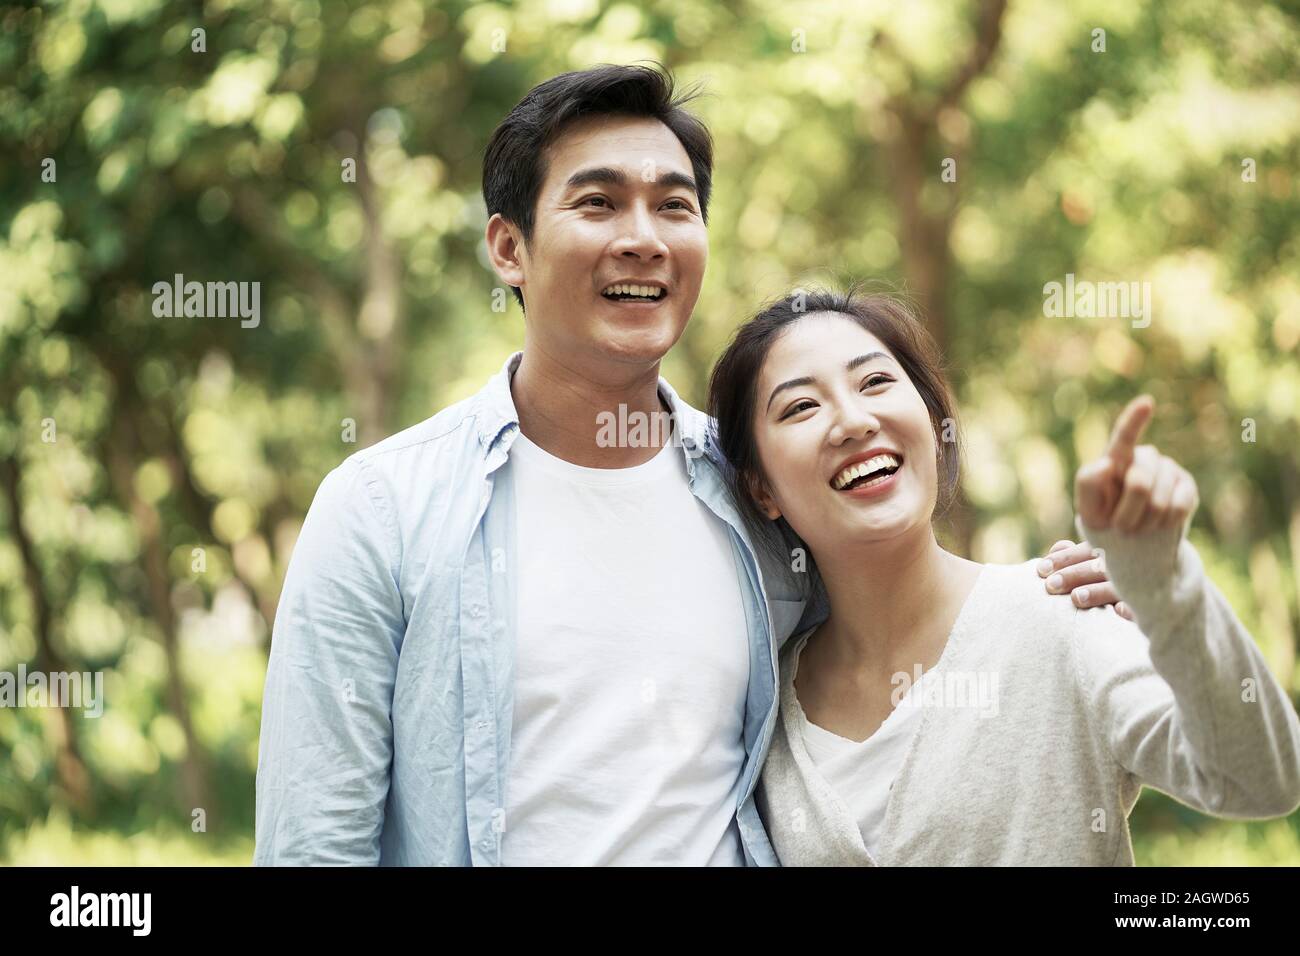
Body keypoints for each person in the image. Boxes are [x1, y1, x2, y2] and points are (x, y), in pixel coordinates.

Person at [254, 66, 1118, 866]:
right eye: (598, 204)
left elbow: (895, 613)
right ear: (508, 249)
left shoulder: (761, 485)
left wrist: (1041, 600)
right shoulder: (381, 510)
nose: (643, 239)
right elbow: (314, 845)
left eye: (674, 206)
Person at [706, 286, 1300, 865]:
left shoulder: (1062, 614)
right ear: (762, 489)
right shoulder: (764, 709)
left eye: (875, 382)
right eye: (802, 406)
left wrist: (1168, 588)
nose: (854, 421)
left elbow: (1261, 781)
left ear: (934, 424)